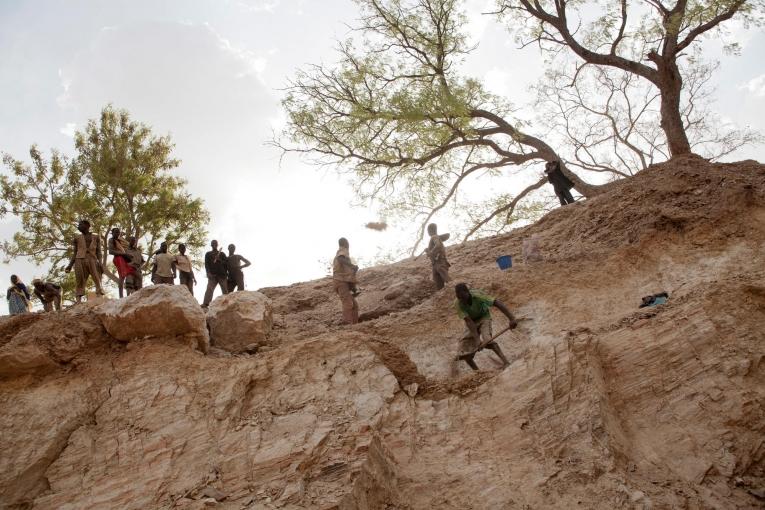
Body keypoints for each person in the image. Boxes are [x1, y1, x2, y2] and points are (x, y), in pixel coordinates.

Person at [454, 283, 517, 371]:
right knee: (464, 350)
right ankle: (477, 372)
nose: (463, 301)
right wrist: (476, 339)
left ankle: (506, 362)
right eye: (460, 298)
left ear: (468, 292)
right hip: (472, 321)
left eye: (464, 298)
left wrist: (511, 319)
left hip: (484, 317)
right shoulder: (458, 303)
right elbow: (468, 321)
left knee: (488, 340)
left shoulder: (478, 295)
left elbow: (497, 303)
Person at [65, 219, 104, 302]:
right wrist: (70, 265)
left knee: (97, 277)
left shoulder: (96, 236)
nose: (78, 227)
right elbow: (75, 252)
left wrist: (101, 263)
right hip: (79, 259)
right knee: (80, 279)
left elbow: (99, 251)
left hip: (92, 259)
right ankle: (78, 299)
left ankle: (99, 294)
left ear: (87, 226)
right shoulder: (77, 238)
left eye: (80, 225)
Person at [332, 237, 359, 325]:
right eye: (347, 243)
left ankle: (354, 325)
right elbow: (341, 259)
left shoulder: (342, 253)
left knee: (354, 305)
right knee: (348, 303)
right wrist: (352, 266)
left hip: (342, 282)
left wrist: (353, 288)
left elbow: (347, 274)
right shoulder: (343, 250)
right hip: (340, 281)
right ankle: (348, 324)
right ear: (345, 243)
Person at [108, 228, 133, 298]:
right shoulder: (111, 240)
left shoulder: (118, 240)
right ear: (112, 233)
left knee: (127, 273)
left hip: (122, 258)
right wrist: (124, 254)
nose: (117, 234)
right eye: (116, 232)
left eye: (118, 232)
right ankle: (121, 296)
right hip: (118, 258)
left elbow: (125, 247)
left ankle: (125, 294)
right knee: (122, 276)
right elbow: (111, 251)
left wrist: (127, 255)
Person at [202, 240, 229, 307]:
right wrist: (208, 273)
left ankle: (227, 304)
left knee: (225, 290)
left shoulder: (222, 254)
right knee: (209, 289)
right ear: (211, 245)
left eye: (215, 243)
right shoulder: (208, 254)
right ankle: (206, 304)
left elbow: (226, 263)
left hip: (222, 275)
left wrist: (219, 260)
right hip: (212, 275)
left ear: (217, 245)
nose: (214, 244)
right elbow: (206, 264)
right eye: (213, 243)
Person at [425, 223, 451, 290]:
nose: (428, 232)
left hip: (439, 261)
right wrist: (428, 250)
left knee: (446, 278)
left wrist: (431, 252)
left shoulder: (434, 237)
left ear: (430, 230)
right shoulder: (435, 237)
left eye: (428, 230)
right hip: (435, 263)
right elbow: (436, 247)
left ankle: (452, 288)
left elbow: (438, 245)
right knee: (437, 280)